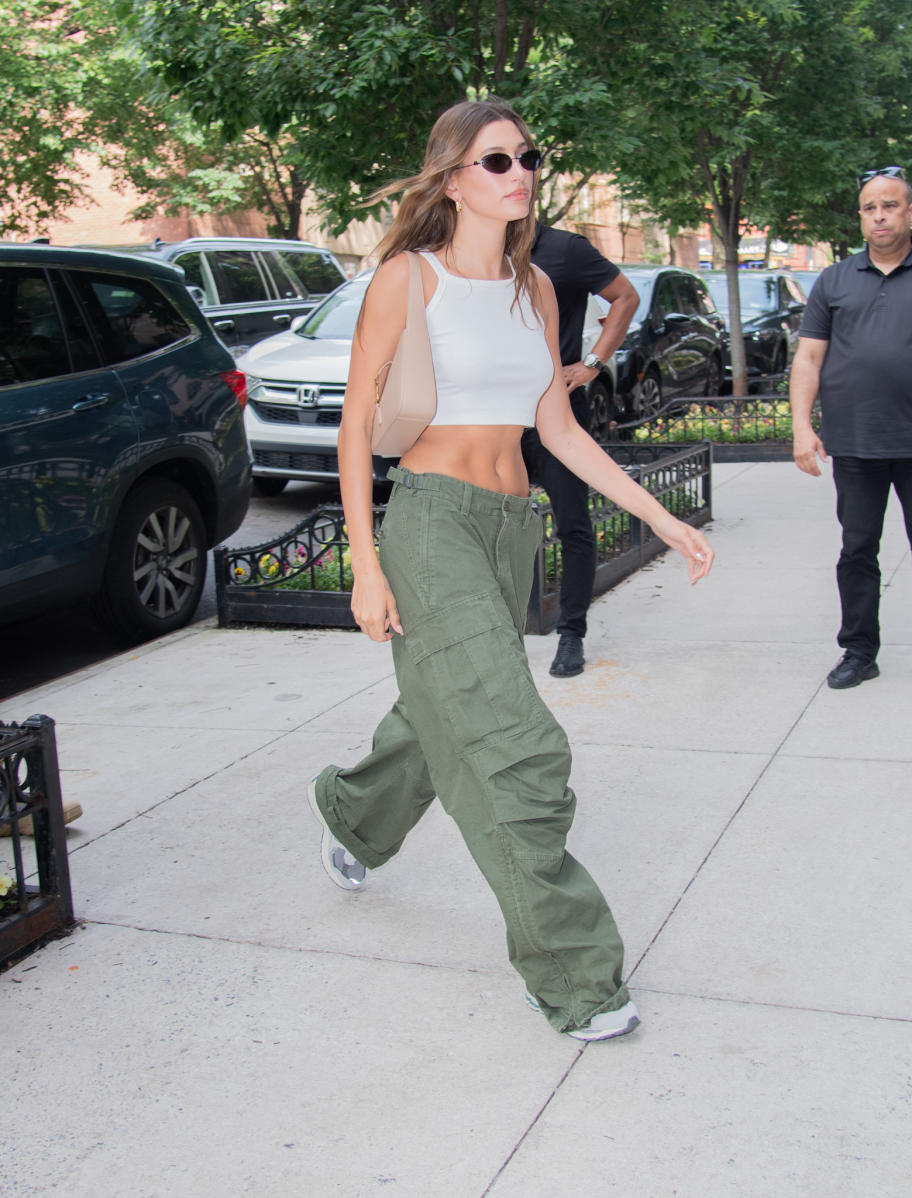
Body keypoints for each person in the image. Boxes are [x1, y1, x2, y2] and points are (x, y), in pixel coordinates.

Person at [306, 99, 714, 1041]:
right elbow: (357, 428)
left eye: (528, 157)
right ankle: (575, 978)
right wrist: (366, 566)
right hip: (431, 526)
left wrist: (663, 517)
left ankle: (353, 815)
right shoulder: (409, 279)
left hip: (508, 526)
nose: (520, 172)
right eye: (497, 161)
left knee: (444, 699)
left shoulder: (536, 290)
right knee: (514, 745)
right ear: (453, 178)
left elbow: (558, 429)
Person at [790, 165, 912, 696]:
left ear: (911, 212)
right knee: (858, 550)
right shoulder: (834, 280)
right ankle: (859, 652)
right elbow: (808, 360)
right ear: (860, 217)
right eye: (869, 208)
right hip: (856, 444)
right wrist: (801, 427)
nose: (879, 215)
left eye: (890, 205)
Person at [521, 225, 639, 677]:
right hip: (496, 412)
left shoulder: (564, 249)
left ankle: (571, 633)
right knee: (489, 521)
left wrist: (593, 363)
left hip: (558, 407)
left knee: (572, 524)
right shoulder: (475, 245)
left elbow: (625, 296)